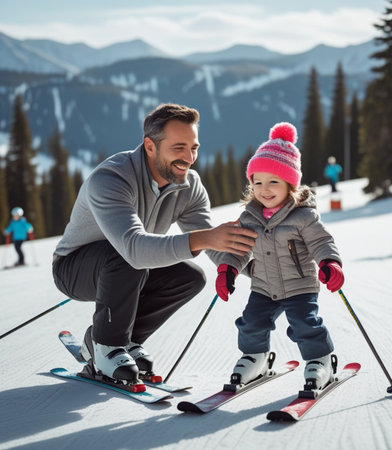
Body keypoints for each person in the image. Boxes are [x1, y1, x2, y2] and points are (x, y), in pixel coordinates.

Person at [52, 103, 257, 384]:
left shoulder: (189, 185)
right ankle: (106, 347)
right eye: (179, 148)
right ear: (150, 146)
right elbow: (134, 248)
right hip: (74, 268)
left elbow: (210, 240)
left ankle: (121, 341)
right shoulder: (112, 178)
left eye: (194, 147)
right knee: (127, 256)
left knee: (190, 278)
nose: (189, 157)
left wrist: (254, 269)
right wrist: (205, 237)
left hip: (129, 265)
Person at [215, 122, 344, 391]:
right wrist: (227, 269)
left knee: (304, 325)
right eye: (258, 181)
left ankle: (321, 361)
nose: (265, 189)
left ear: (290, 185)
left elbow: (322, 241)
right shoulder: (249, 217)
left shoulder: (303, 216)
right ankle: (256, 358)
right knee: (250, 323)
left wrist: (329, 263)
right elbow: (239, 248)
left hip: (299, 285)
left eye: (274, 181)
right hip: (263, 286)